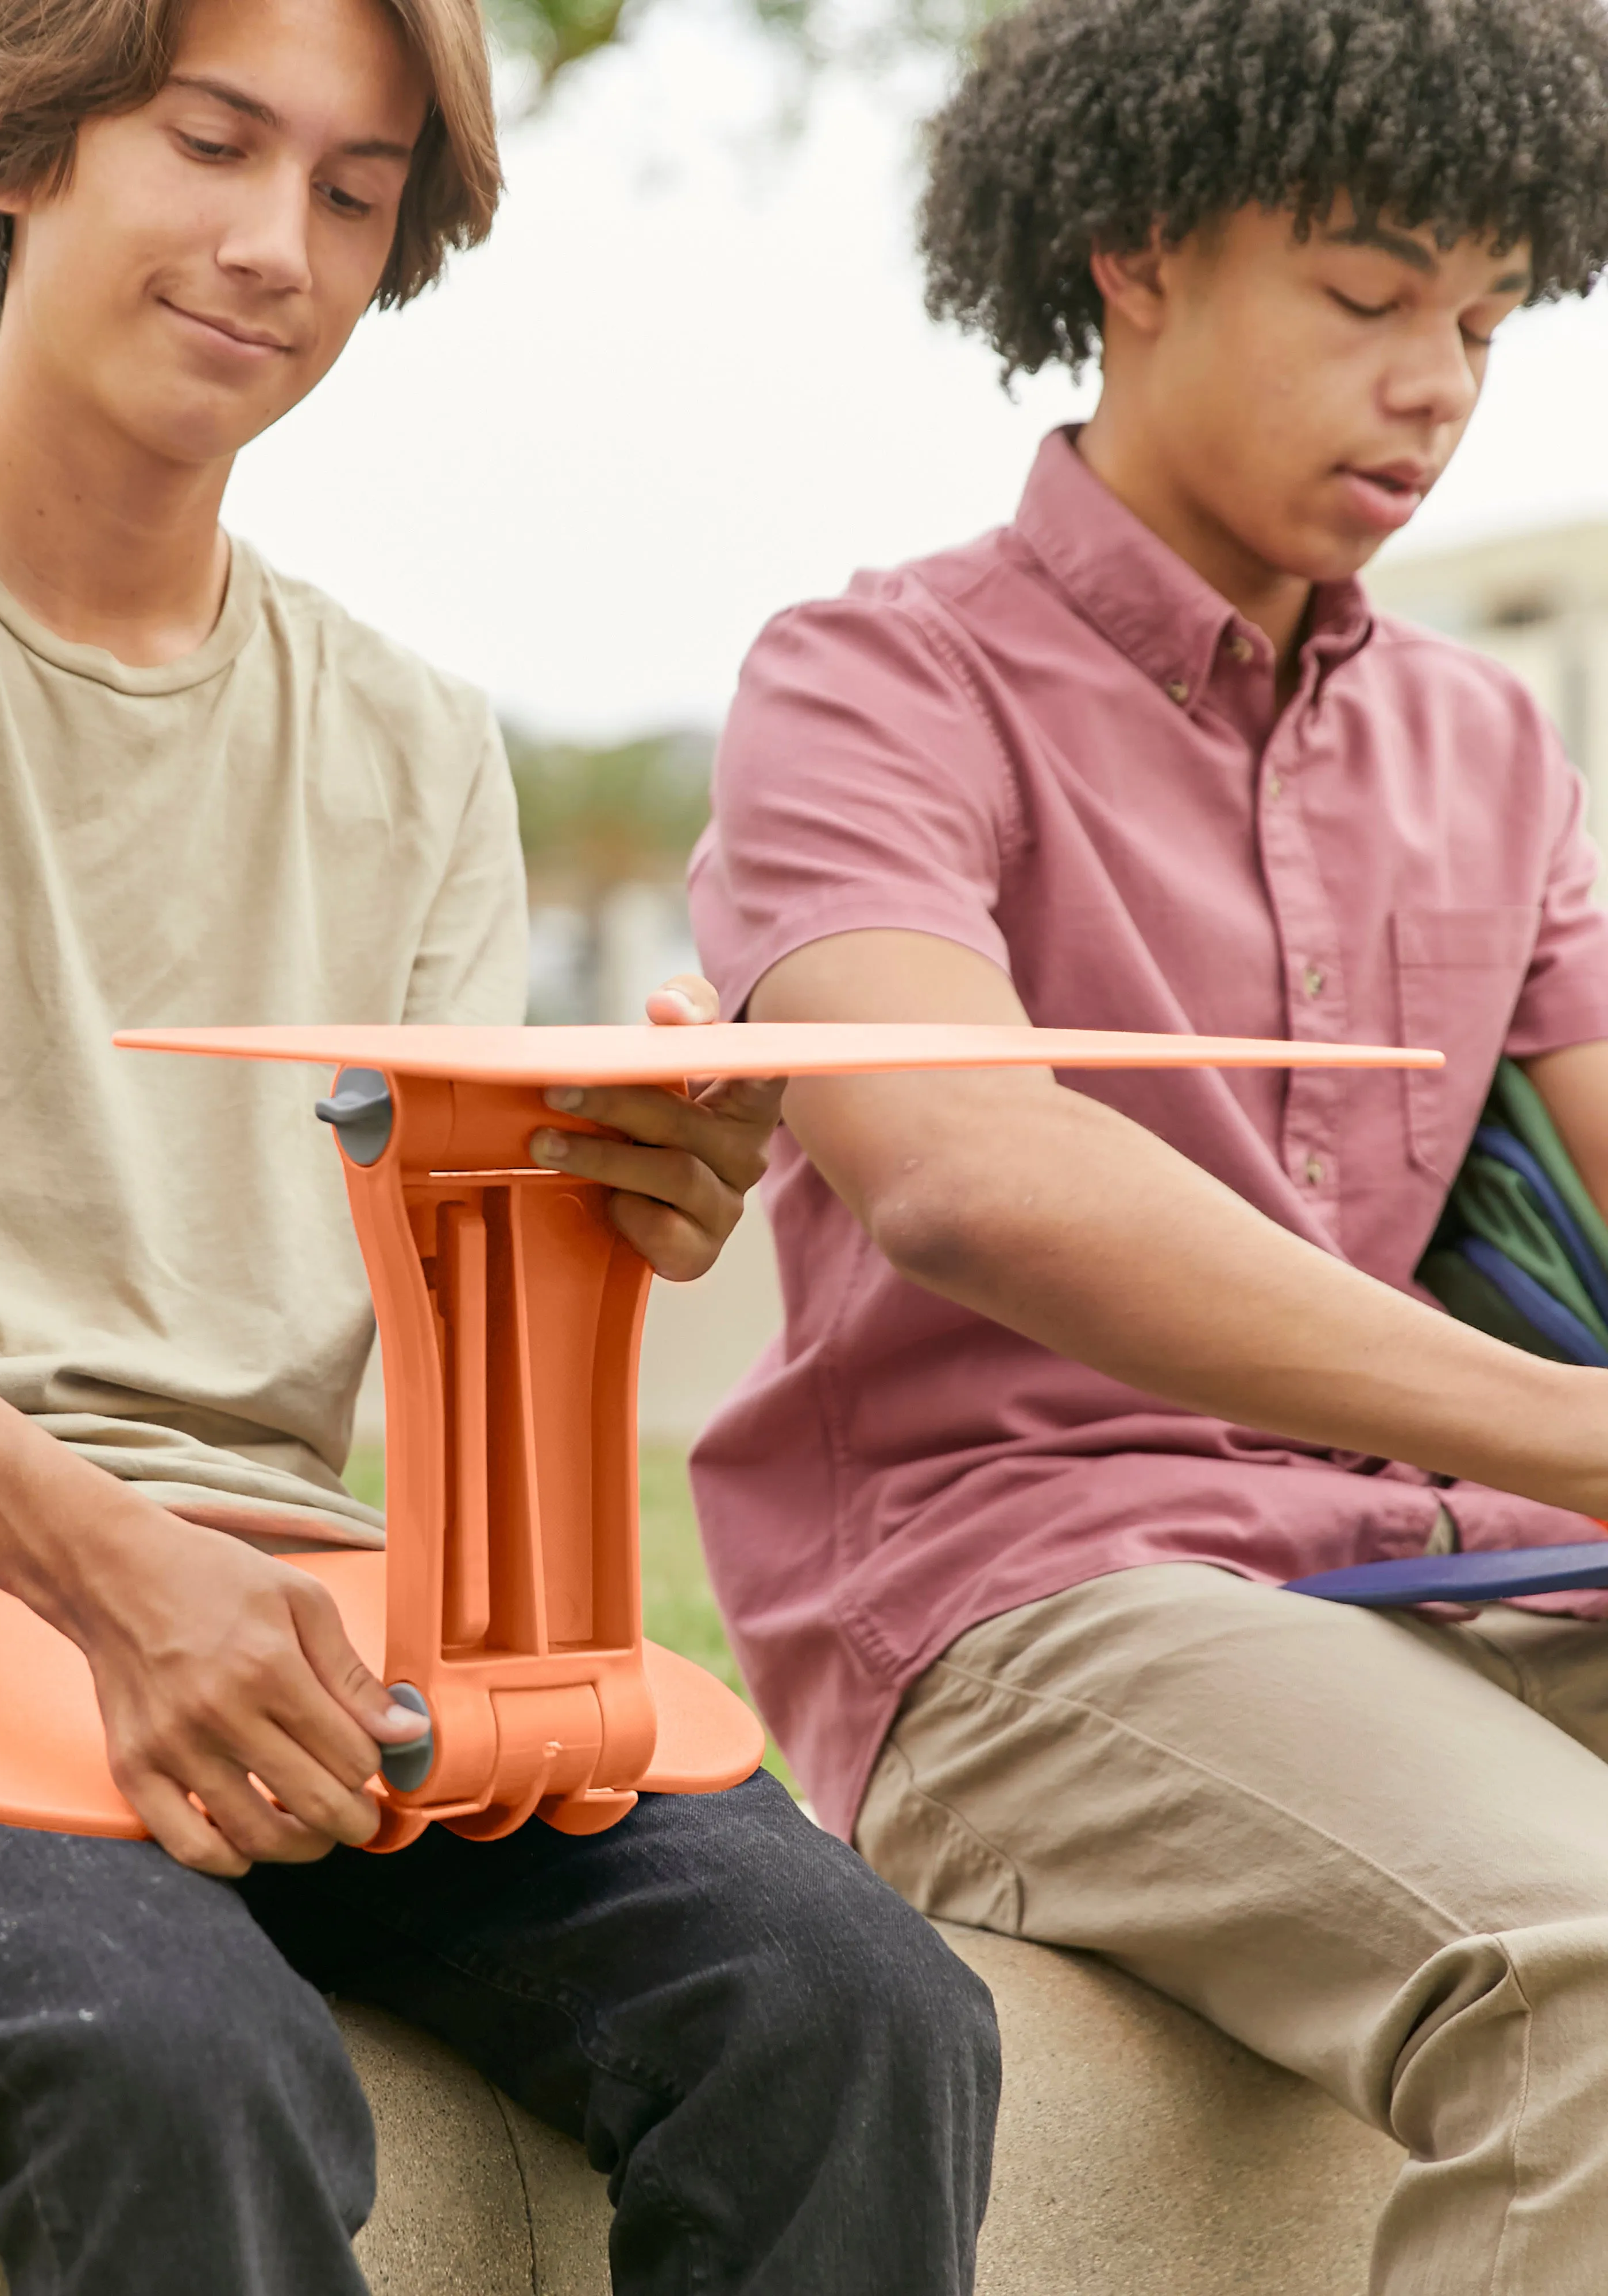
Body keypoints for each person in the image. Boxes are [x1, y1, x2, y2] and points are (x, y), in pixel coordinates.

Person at [0, 0, 1001, 2287]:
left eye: (352, 195)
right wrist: (116, 1582)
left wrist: (608, 1190)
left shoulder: (412, 740)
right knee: (172, 2048)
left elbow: (441, 1278)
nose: (278, 246)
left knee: (858, 2011)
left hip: (291, 1613)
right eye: (212, 144)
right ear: (24, 139)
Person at [685, 0, 1608, 2285]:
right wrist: (1574, 1428)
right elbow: (969, 1173)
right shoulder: (873, 684)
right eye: (1369, 293)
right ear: (1130, 251)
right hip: (1024, 1606)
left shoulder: (1490, 747)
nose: (1436, 385)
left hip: (1451, 1578)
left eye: (1483, 323)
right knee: (1590, 1973)